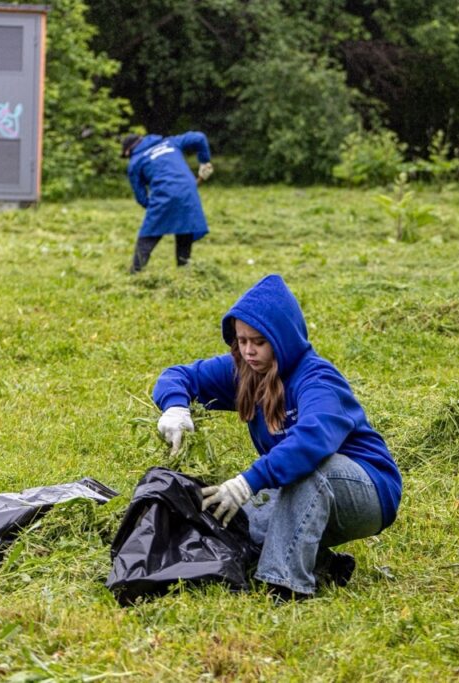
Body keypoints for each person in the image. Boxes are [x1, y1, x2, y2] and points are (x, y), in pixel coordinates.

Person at [151, 274, 402, 600]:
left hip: (365, 490)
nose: (249, 351)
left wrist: (248, 482)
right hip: (297, 489)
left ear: (281, 338)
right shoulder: (245, 370)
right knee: (237, 523)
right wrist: (175, 408)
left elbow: (310, 444)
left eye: (259, 341)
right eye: (242, 341)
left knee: (309, 471)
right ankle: (325, 565)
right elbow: (179, 375)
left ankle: (286, 587)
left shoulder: (318, 378)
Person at [122, 132, 214, 273]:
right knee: (185, 227)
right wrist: (204, 161)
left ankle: (136, 271)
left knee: (149, 233)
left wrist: (151, 207)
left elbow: (140, 195)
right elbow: (199, 137)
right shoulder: (170, 142)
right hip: (187, 189)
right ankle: (184, 270)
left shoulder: (135, 162)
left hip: (164, 193)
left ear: (128, 151)